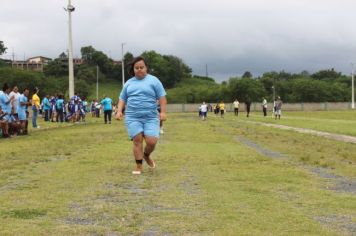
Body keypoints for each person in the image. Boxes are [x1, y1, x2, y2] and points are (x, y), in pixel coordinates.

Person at [116, 56, 167, 175]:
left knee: (151, 141)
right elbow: (122, 99)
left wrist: (163, 112)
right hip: (132, 117)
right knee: (137, 140)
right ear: (133, 69)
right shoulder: (128, 83)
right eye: (136, 68)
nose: (139, 69)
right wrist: (119, 111)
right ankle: (139, 166)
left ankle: (146, 155)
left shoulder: (154, 81)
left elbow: (162, 98)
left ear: (146, 68)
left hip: (150, 117)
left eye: (141, 67)